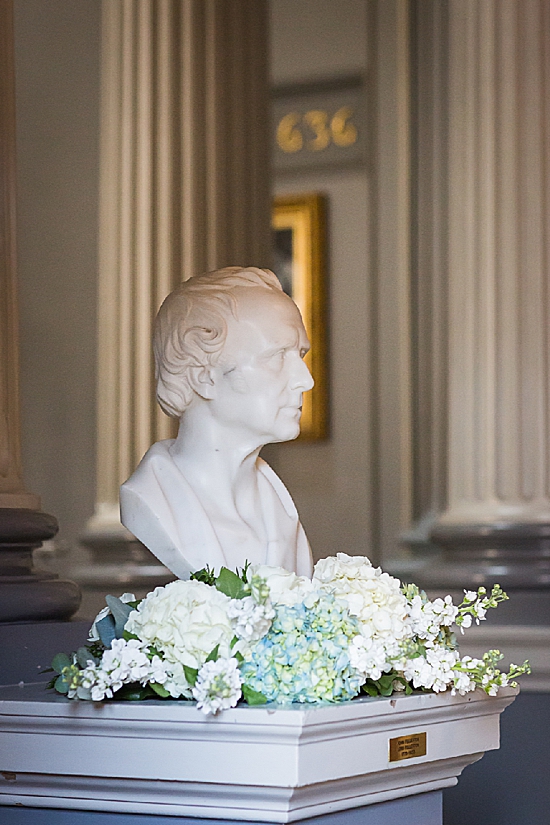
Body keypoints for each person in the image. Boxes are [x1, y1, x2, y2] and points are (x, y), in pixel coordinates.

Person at [120, 266, 314, 579]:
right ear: (202, 375)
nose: (306, 381)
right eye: (278, 356)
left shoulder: (279, 511)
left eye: (300, 355)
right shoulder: (155, 501)